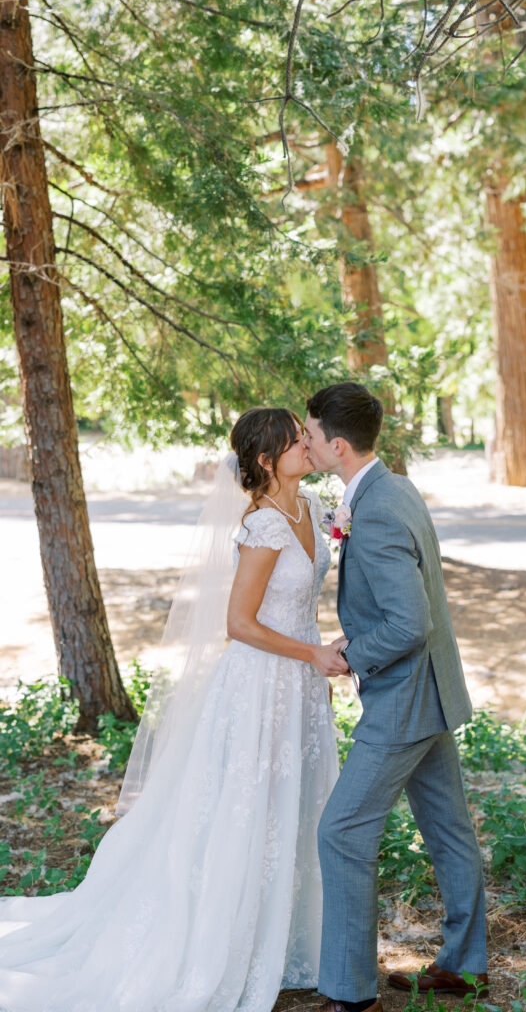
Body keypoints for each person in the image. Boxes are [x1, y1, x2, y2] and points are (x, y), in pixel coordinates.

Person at [0, 407, 346, 1012]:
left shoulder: (313, 508)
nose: (305, 446)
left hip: (300, 686)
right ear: (267, 461)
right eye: (294, 442)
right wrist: (311, 653)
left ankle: (291, 940)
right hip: (260, 683)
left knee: (293, 805)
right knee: (247, 811)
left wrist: (322, 655)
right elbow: (239, 625)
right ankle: (224, 944)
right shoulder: (263, 527)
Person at [303, 383, 488, 1012]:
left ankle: (350, 992)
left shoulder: (376, 507)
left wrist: (350, 654)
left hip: (405, 701)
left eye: (309, 433)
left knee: (341, 831)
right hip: (431, 691)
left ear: (338, 444)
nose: (304, 441)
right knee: (450, 831)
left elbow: (409, 624)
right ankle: (466, 966)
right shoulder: (393, 485)